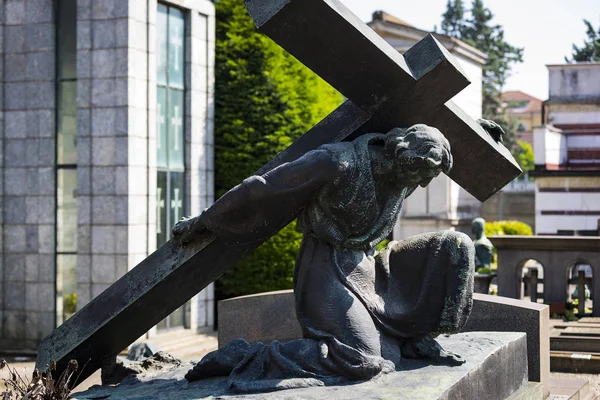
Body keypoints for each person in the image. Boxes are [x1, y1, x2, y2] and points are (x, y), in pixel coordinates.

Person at [173, 124, 476, 392]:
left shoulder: (404, 174)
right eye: (418, 174)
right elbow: (262, 190)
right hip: (325, 266)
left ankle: (411, 337)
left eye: (427, 178)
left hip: (370, 266)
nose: (419, 184)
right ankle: (243, 355)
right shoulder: (336, 162)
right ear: (398, 153)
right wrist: (202, 221)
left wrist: (479, 132)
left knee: (456, 246)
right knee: (363, 361)